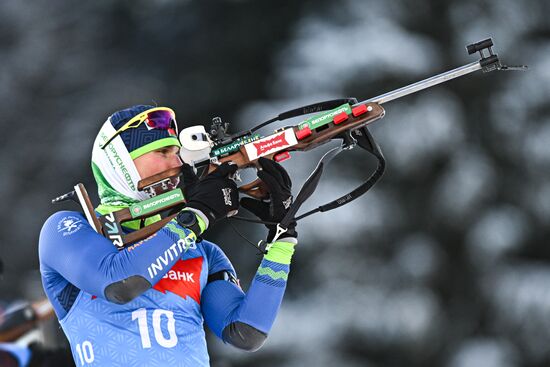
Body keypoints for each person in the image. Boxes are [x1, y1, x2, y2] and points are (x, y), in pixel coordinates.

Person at [38, 105, 298, 366]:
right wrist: (198, 214)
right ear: (120, 162)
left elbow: (246, 333)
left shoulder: (202, 252)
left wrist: (282, 239)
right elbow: (120, 284)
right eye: (163, 152)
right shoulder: (67, 229)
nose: (177, 163)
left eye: (177, 153)